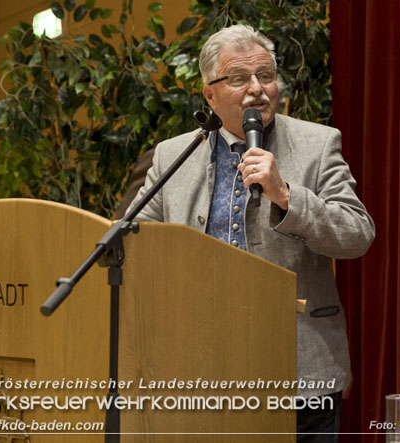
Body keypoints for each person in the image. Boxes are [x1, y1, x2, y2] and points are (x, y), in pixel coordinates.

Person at [126, 24, 375, 442]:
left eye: (266, 75)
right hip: (200, 369)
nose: (257, 89)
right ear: (209, 94)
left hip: (298, 370)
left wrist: (286, 195)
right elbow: (134, 240)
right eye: (239, 79)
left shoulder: (318, 144)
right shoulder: (174, 154)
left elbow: (356, 234)